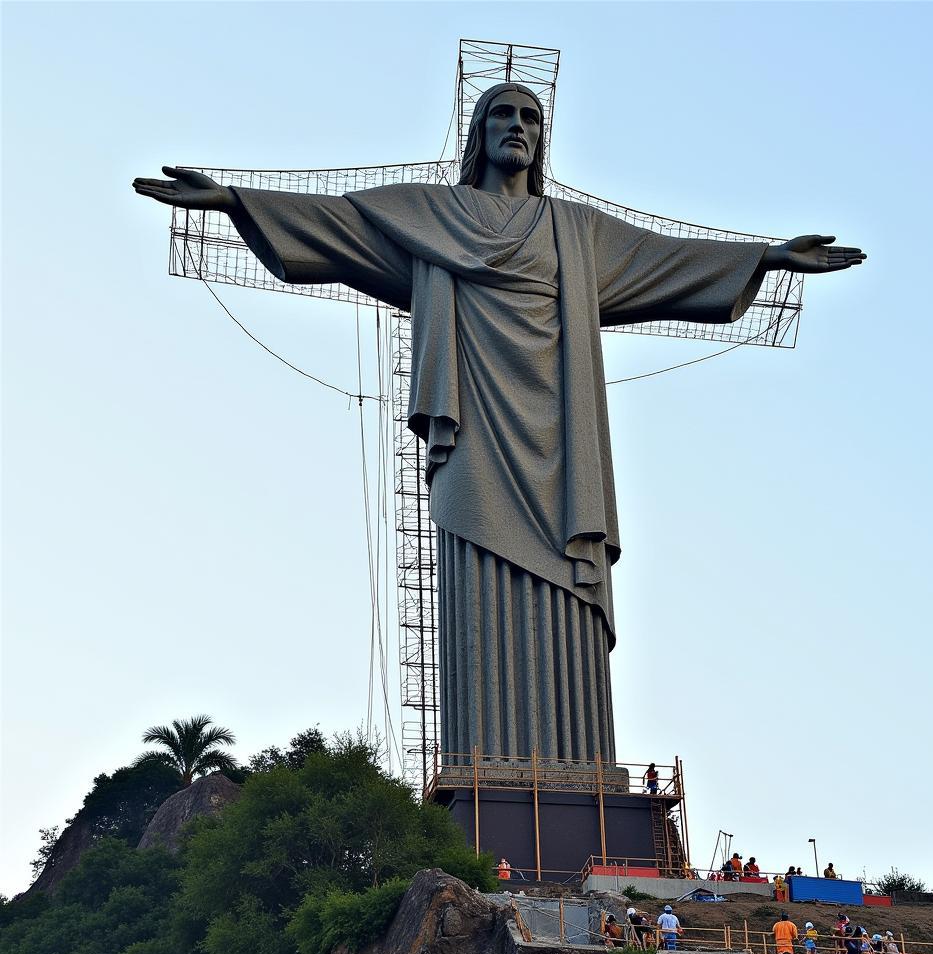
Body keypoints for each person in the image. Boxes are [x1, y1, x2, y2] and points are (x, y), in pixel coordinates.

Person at [133, 85, 865, 766]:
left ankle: (581, 772)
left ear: (541, 141)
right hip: (474, 430)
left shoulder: (577, 233)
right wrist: (232, 198)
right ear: (478, 134)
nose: (516, 126)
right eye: (501, 116)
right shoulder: (427, 218)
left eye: (530, 118)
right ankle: (483, 769)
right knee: (479, 579)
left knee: (570, 592)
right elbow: (336, 224)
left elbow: (664, 258)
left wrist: (767, 256)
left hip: (563, 441)